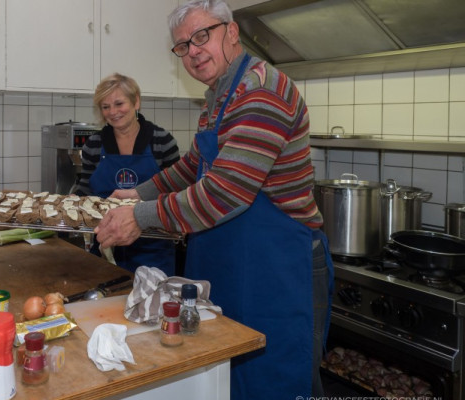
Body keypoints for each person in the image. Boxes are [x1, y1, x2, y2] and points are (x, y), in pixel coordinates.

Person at [94, 1, 334, 398]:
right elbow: (193, 165)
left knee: (273, 384)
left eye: (202, 36)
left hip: (277, 271)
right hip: (232, 265)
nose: (193, 51)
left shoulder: (262, 91)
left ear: (232, 32)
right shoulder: (219, 98)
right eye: (183, 46)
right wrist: (140, 192)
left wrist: (140, 216)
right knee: (226, 385)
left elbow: (225, 192)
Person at [74, 73, 180, 276]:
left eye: (119, 103)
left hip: (153, 248)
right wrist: (73, 202)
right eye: (106, 107)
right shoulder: (94, 145)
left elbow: (175, 192)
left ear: (136, 101)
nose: (113, 112)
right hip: (106, 246)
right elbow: (85, 189)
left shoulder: (162, 142)